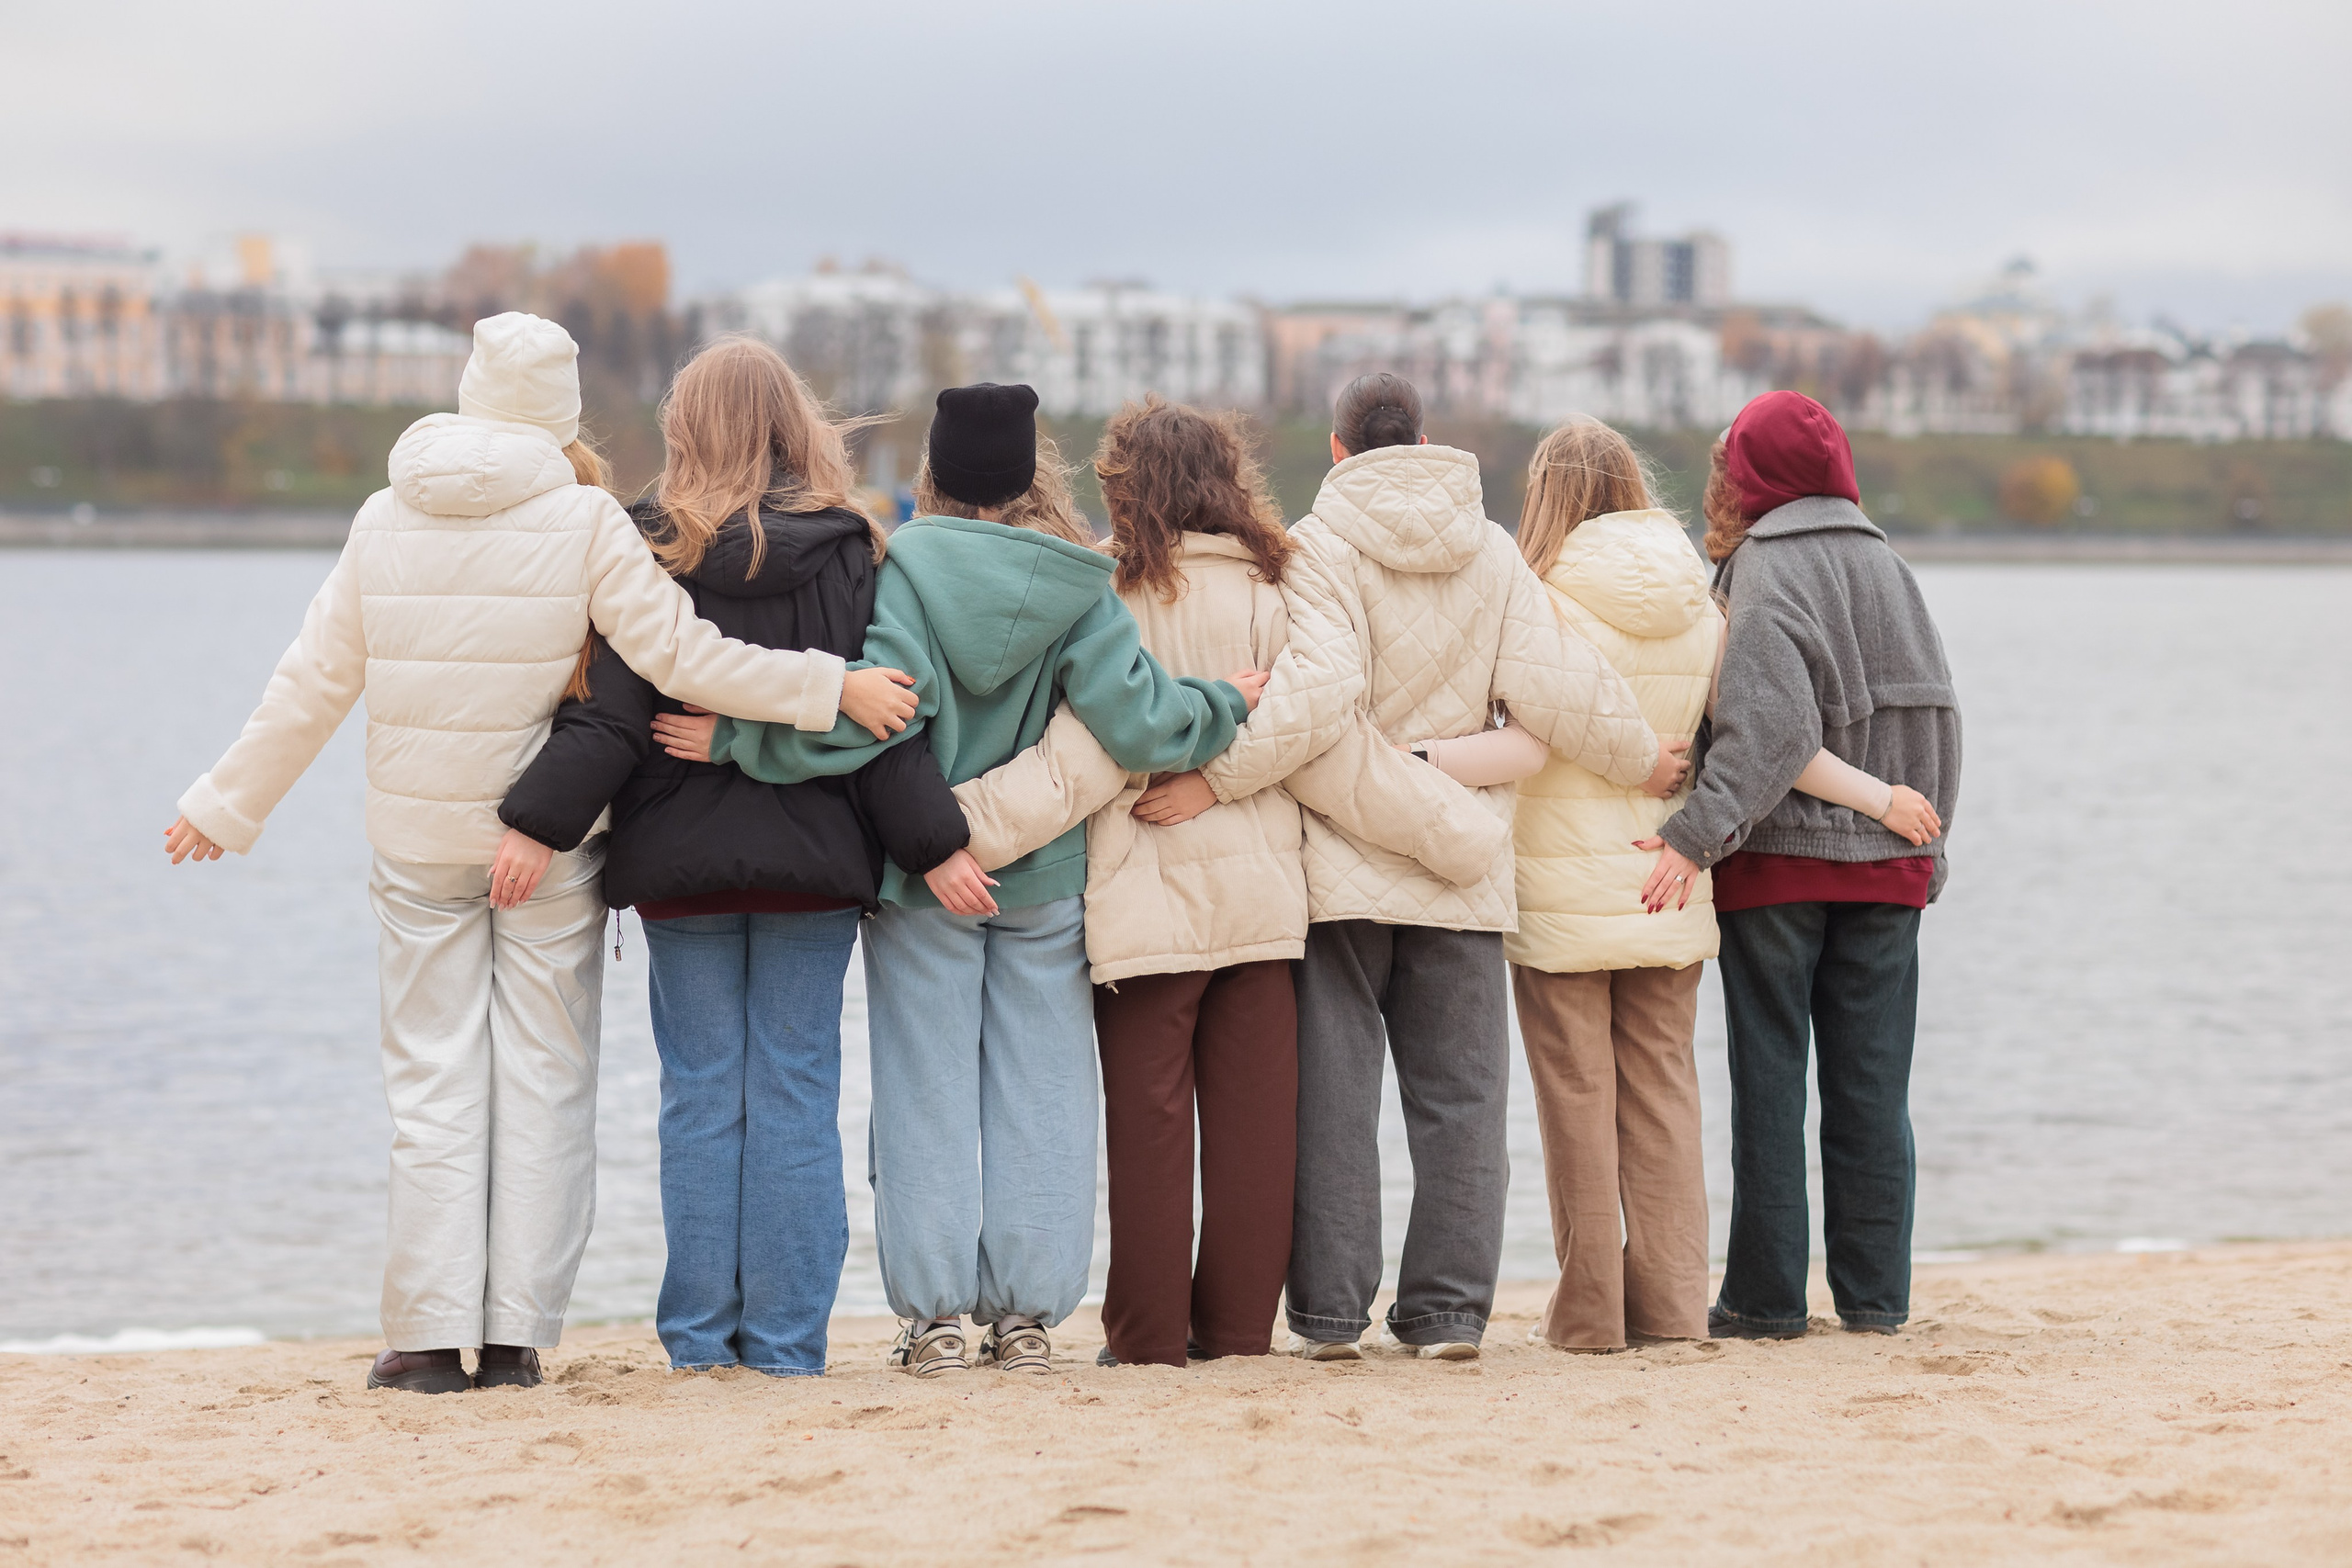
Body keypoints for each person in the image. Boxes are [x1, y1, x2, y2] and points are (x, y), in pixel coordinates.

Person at [161, 314, 922, 1394]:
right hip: (549, 848)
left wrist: (226, 804)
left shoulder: (382, 518)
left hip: (419, 846)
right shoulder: (585, 521)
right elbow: (678, 655)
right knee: (547, 1083)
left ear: (473, 394)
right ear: (564, 412)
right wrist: (823, 688)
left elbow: (313, 681)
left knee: (430, 1086)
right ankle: (515, 1339)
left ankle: (426, 1341)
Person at [654, 384, 1261, 1377]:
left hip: (921, 880)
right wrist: (1223, 702)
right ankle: (1026, 1320)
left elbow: (869, 720)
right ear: (1033, 475)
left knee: (924, 1094)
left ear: (931, 473)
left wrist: (738, 737)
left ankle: (932, 1320)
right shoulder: (1081, 587)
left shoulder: (901, 574)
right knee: (1044, 1096)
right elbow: (1142, 722)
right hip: (1045, 880)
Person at [945, 397, 1505, 1368]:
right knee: (1255, 1137)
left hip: (1138, 911)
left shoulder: (1104, 599)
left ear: (1123, 489)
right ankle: (1240, 1335)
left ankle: (1150, 1341)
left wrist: (946, 831)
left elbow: (1076, 764)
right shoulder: (1276, 590)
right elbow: (1332, 754)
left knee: (1149, 1137)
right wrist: (1456, 835)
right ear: (1228, 480)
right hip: (1260, 911)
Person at [494, 337, 969, 1378]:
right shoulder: (852, 546)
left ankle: (701, 1345)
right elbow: (886, 721)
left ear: (683, 429)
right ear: (794, 425)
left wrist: (534, 820)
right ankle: (791, 1345)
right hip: (813, 867)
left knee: (701, 1096)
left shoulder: (641, 545)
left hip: (678, 867)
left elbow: (610, 719)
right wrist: (935, 846)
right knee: (797, 1093)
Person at [1419, 417, 1938, 1354]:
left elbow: (1532, 742)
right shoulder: (1706, 606)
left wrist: (1413, 758)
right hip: (1672, 883)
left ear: (1546, 499)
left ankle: (1589, 1314)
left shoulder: (1537, 602)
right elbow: (1768, 739)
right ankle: (1666, 1308)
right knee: (1664, 1094)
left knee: (1577, 1098)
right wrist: (1883, 798)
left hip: (1561, 891)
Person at [1203, 373, 1679, 1363]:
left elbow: (1315, 700)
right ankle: (1449, 1315)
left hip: (1340, 864)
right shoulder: (1493, 550)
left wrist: (1215, 778)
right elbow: (1561, 686)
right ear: (1424, 439)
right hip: (1464, 861)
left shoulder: (1315, 546)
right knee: (1461, 1101)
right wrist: (1643, 757)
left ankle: (1331, 1318)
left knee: (1334, 1099)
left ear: (1337, 450)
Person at [1640, 389, 1962, 1341]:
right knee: (1872, 1094)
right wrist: (1928, 850)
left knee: (1771, 1086)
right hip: (1888, 870)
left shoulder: (1759, 570)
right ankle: (1875, 1301)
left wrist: (1693, 835)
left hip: (1778, 866)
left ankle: (1765, 1300)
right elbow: (1938, 717)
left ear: (1750, 475)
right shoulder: (1891, 567)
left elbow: (1770, 731)